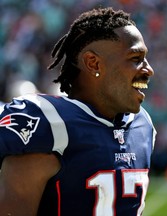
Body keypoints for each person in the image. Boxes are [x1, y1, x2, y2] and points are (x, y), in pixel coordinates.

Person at [0, 7, 156, 216]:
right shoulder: (49, 125)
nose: (148, 69)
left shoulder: (142, 125)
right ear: (93, 63)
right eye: (135, 58)